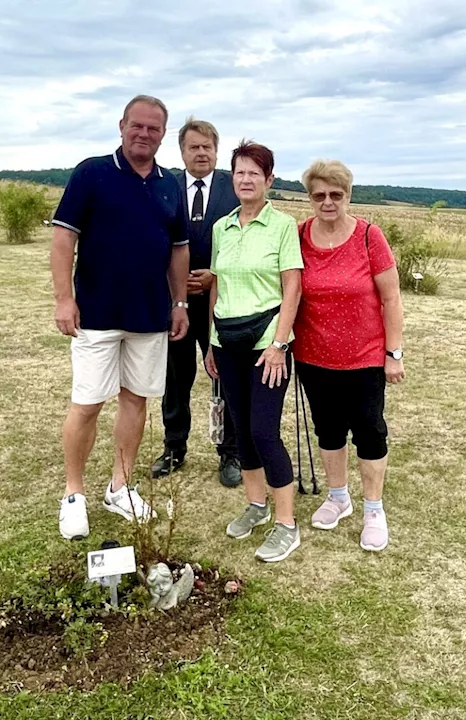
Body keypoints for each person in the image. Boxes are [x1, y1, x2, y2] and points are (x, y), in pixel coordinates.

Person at [50, 94, 190, 541]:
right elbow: (62, 241)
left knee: (136, 401)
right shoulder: (92, 172)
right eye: (137, 125)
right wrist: (63, 299)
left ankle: (121, 487)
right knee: (88, 403)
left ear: (163, 134)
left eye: (153, 128)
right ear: (121, 125)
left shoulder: (171, 184)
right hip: (96, 313)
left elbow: (179, 250)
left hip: (150, 316)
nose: (144, 134)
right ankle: (74, 496)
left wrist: (179, 303)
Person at [293, 160, 405, 552]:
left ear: (348, 196)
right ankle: (338, 497)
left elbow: (391, 298)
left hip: (365, 357)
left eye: (335, 195)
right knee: (328, 429)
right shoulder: (299, 235)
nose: (328, 202)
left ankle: (373, 509)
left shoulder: (369, 236)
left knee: (370, 432)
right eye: (319, 195)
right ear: (309, 198)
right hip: (313, 355)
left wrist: (394, 353)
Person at [204, 140, 304, 563]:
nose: (246, 180)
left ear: (269, 180)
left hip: (268, 345)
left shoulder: (282, 226)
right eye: (239, 172)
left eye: (254, 173)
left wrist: (280, 344)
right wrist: (210, 341)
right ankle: (256, 505)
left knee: (264, 431)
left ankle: (287, 525)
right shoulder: (221, 228)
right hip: (227, 343)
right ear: (233, 178)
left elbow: (293, 286)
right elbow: (216, 285)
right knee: (240, 430)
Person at [151, 117, 243, 488]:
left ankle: (230, 452)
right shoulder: (164, 186)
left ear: (216, 151)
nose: (201, 153)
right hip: (175, 302)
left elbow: (243, 241)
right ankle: (174, 447)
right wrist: (174, 283)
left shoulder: (233, 187)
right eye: (194, 147)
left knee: (224, 377)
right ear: (182, 151)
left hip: (220, 302)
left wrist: (214, 275)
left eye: (208, 147)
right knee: (176, 378)